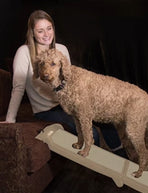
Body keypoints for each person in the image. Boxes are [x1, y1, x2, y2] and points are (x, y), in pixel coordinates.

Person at [1, 10, 128, 158]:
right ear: (32, 33)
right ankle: (97, 165)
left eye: (49, 28)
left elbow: (70, 80)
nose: (46, 34)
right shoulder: (24, 52)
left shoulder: (61, 49)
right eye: (40, 31)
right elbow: (18, 88)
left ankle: (124, 161)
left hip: (68, 103)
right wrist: (10, 119)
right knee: (92, 132)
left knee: (106, 122)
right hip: (47, 110)